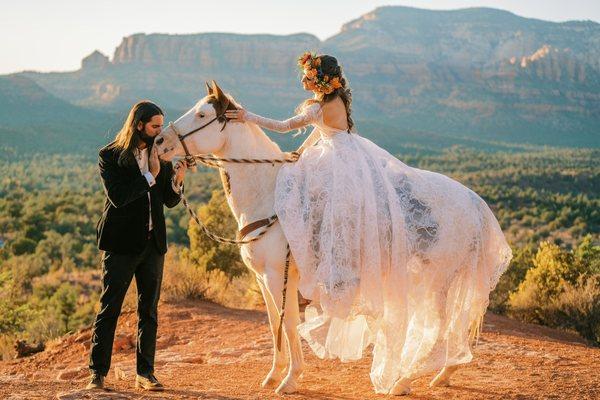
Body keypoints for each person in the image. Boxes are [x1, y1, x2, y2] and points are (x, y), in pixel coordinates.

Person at [225, 53, 513, 394]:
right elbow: (317, 134)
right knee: (314, 194)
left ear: (321, 79)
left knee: (318, 203)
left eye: (310, 77)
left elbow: (286, 125)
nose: (306, 81)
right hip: (348, 154)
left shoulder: (320, 104)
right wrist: (299, 153)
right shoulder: (334, 101)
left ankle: (333, 267)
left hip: (339, 162)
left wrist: (247, 117)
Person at [86, 101, 187, 391]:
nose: (160, 132)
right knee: (110, 309)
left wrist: (177, 179)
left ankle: (146, 374)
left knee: (149, 312)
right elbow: (118, 197)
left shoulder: (161, 155)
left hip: (153, 245)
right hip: (121, 245)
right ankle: (97, 372)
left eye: (161, 126)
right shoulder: (110, 155)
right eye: (155, 126)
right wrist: (150, 175)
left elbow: (168, 201)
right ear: (139, 125)